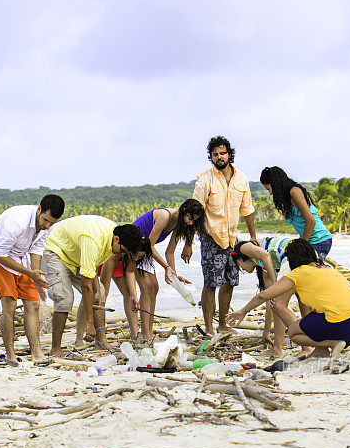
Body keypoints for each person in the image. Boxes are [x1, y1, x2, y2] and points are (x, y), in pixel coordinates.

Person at [227, 239, 350, 358]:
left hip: (343, 323)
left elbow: (262, 295)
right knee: (315, 314)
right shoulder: (327, 268)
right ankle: (321, 350)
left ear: (291, 259)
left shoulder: (297, 274)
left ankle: (331, 343)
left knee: (294, 333)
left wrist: (244, 310)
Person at [42, 216, 150, 357]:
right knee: (65, 298)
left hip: (75, 255)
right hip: (56, 251)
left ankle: (101, 342)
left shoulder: (114, 238)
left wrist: (98, 292)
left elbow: (91, 267)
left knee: (101, 292)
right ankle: (55, 349)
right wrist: (90, 323)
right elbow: (86, 286)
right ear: (117, 239)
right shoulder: (93, 239)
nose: (121, 255)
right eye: (123, 251)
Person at [100, 199, 205, 343]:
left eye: (194, 221)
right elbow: (150, 245)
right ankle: (145, 334)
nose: (191, 223)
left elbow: (169, 252)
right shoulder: (165, 216)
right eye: (190, 218)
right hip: (133, 248)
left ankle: (148, 332)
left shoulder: (179, 224)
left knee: (154, 288)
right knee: (147, 288)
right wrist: (166, 268)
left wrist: (173, 275)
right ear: (184, 210)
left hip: (144, 251)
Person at [0, 194, 65, 365]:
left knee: (33, 304)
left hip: (20, 257)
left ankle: (37, 353)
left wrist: (36, 277)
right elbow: (1, 255)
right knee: (10, 304)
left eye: (52, 223)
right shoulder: (17, 222)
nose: (47, 225)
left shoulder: (48, 224)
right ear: (39, 209)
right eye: (45, 220)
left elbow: (37, 248)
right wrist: (30, 273)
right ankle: (10, 356)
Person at [193, 136, 256, 336]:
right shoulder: (205, 180)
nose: (219, 157)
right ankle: (209, 327)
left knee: (230, 280)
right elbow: (195, 212)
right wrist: (187, 243)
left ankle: (222, 324)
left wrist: (253, 236)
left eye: (222, 153)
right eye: (215, 155)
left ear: (229, 154)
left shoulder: (241, 179)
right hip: (210, 237)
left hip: (231, 239)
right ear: (210, 157)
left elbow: (247, 210)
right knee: (210, 282)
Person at [231, 236, 304, 357]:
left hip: (293, 254)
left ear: (240, 258)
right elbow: (269, 301)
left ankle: (302, 347)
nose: (241, 269)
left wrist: (276, 284)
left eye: (238, 265)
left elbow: (265, 255)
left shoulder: (243, 247)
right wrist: (266, 332)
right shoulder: (265, 267)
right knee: (277, 304)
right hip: (302, 255)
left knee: (279, 304)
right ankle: (305, 344)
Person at [259, 166, 333, 261]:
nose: (270, 193)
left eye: (269, 189)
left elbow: (311, 221)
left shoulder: (295, 192)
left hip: (319, 240)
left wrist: (301, 246)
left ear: (276, 183)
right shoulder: (287, 196)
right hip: (311, 240)